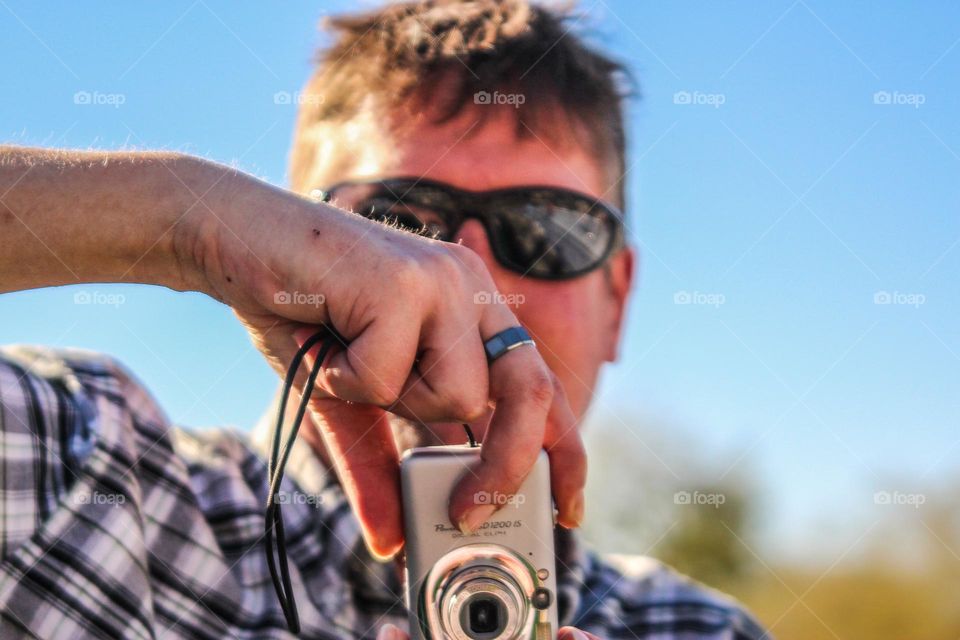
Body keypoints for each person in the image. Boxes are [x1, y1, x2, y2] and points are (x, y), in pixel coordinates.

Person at [0, 1, 767, 638]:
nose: (470, 277)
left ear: (617, 303)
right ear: (285, 248)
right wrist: (184, 218)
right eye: (397, 221)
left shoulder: (698, 630)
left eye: (547, 231)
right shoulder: (88, 480)